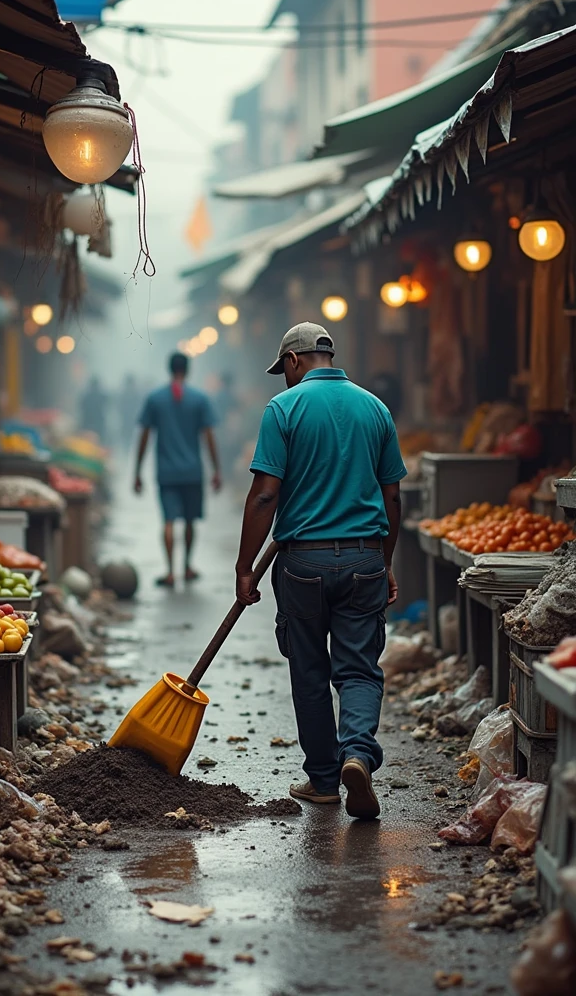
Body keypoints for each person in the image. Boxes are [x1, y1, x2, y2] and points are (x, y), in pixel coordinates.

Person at [235, 323, 406, 819]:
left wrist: (245, 566)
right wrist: (387, 559)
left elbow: (266, 493)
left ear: (292, 361)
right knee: (359, 669)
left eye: (281, 371)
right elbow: (393, 495)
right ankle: (357, 753)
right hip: (363, 559)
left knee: (308, 672)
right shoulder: (375, 408)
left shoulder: (283, 409)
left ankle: (325, 781)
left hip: (301, 562)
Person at [134, 352, 222, 587]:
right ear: (188, 370)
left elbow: (145, 436)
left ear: (169, 369)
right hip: (193, 471)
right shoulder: (199, 399)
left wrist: (137, 471)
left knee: (169, 521)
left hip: (167, 472)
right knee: (191, 521)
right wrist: (216, 470)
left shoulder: (155, 399)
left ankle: (170, 571)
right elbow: (208, 437)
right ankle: (187, 566)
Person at [79, 375, 107, 443]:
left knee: (87, 442)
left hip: (88, 422)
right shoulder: (102, 396)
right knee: (98, 442)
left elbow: (81, 408)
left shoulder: (86, 396)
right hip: (98, 423)